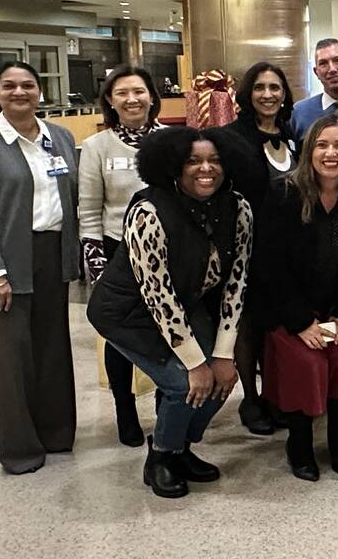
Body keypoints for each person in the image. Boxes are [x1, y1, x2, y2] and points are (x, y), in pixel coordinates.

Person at [87, 126, 253, 498]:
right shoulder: (149, 211)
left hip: (184, 304)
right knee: (184, 385)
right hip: (128, 313)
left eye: (214, 161)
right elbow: (157, 294)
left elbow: (235, 283)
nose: (205, 169)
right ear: (173, 167)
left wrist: (224, 355)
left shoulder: (238, 208)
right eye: (193, 161)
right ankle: (161, 457)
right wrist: (195, 364)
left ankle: (180, 447)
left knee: (223, 380)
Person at [0, 61, 81, 475]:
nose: (19, 92)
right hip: (4, 259)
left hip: (51, 253)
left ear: (40, 91)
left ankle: (57, 434)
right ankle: (20, 449)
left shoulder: (59, 137)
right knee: (10, 358)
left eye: (28, 84)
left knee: (52, 349)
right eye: (9, 85)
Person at [254, 116, 338, 480]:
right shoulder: (283, 193)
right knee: (306, 361)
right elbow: (269, 265)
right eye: (322, 145)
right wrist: (301, 320)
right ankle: (299, 442)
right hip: (291, 309)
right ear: (309, 151)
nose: (331, 153)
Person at [78, 64, 164, 447]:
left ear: (151, 96)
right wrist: (96, 265)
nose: (132, 99)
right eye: (122, 93)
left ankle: (168, 404)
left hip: (168, 251)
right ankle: (125, 410)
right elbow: (88, 209)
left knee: (167, 330)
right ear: (111, 102)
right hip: (119, 250)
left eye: (139, 91)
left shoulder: (171, 140)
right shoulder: (98, 147)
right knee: (120, 337)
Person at [221, 61, 299, 435]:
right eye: (260, 87)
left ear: (284, 94)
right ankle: (250, 400)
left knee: (276, 324)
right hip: (245, 249)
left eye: (275, 87)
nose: (268, 95)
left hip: (285, 250)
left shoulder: (291, 135)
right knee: (247, 326)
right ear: (248, 93)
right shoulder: (230, 138)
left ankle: (275, 395)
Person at [290, 38, 338, 139]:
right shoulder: (299, 113)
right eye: (323, 63)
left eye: (337, 61)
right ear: (316, 72)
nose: (332, 69)